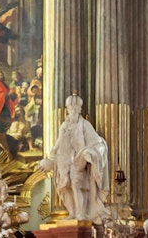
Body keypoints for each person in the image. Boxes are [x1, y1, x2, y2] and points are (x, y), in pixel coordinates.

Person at [39, 93, 109, 221]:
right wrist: (50, 159)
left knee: (76, 183)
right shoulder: (64, 126)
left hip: (79, 160)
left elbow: (98, 143)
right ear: (67, 110)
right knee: (64, 187)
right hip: (65, 161)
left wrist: (91, 152)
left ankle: (81, 213)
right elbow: (58, 145)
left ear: (79, 110)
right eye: (71, 109)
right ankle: (72, 213)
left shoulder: (85, 125)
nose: (73, 111)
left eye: (75, 109)